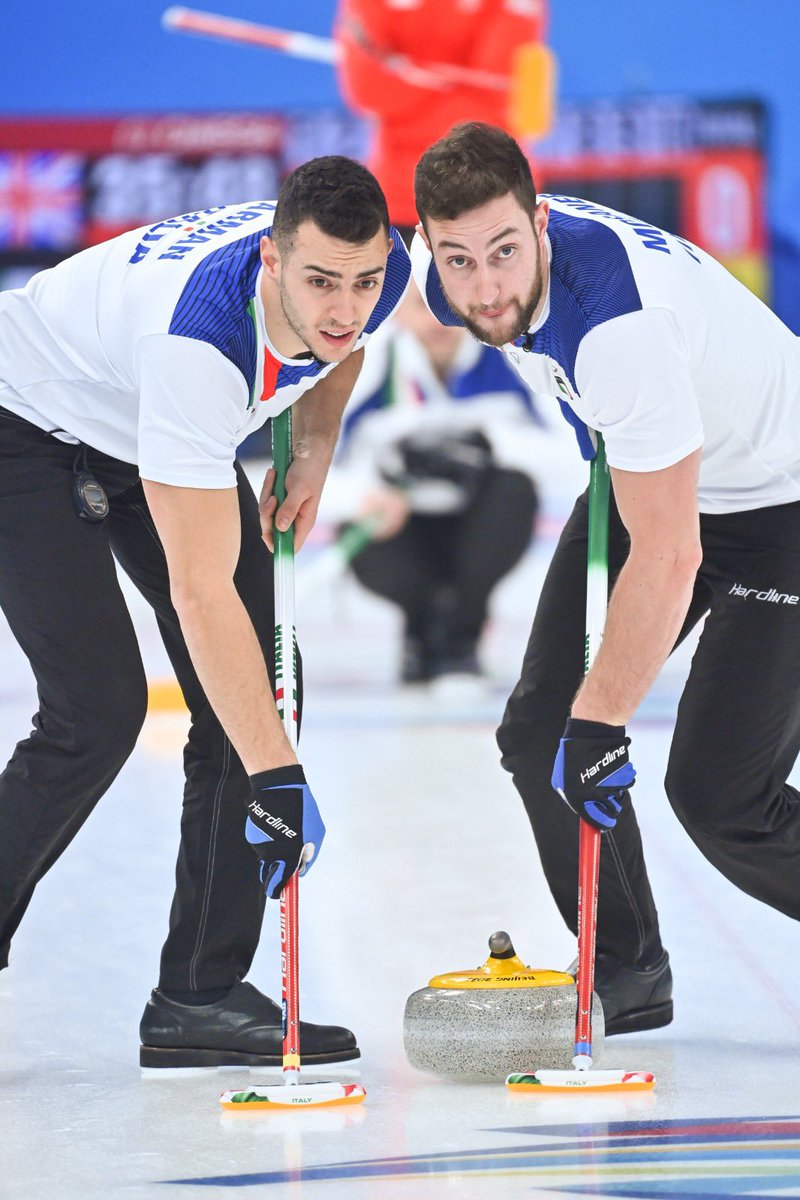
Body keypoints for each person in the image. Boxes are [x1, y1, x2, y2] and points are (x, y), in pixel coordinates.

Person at [0, 156, 410, 1066]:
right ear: (272, 259)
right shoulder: (200, 346)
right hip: (23, 419)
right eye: (321, 283)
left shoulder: (376, 269)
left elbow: (349, 342)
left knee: (264, 684)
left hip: (135, 416)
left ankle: (200, 993)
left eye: (364, 282)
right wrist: (278, 779)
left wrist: (316, 441)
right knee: (96, 711)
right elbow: (199, 591)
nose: (346, 307)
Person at [410, 121, 800, 1035]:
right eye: (458, 260)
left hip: (780, 504)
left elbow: (670, 556)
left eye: (504, 252)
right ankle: (628, 969)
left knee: (720, 796)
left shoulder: (619, 328)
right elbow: (338, 320)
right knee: (541, 736)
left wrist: (604, 722)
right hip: (648, 471)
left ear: (540, 222)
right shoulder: (448, 277)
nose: (485, 286)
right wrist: (314, 450)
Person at [330, 282, 542, 686]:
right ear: (397, 312)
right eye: (421, 306)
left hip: (475, 522)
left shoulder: (513, 359)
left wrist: (484, 447)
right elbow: (327, 471)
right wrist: (368, 494)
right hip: (402, 524)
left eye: (446, 306)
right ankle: (424, 627)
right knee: (360, 526)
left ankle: (460, 632)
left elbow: (564, 456)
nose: (436, 321)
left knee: (513, 491)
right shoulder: (368, 366)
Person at [335, 0, 546, 238]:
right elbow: (370, 89)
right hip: (401, 200)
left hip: (498, 196)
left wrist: (414, 74)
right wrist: (459, 85)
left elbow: (500, 84)